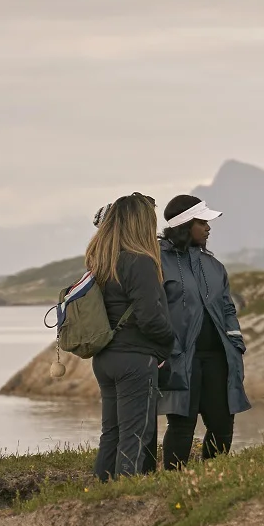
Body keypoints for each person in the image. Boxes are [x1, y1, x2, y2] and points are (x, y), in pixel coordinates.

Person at [158, 193, 251, 466]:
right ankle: (173, 482)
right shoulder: (157, 263)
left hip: (218, 359)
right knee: (181, 427)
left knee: (222, 426)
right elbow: (154, 310)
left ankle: (212, 476)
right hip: (179, 359)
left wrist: (236, 342)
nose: (209, 228)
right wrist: (167, 349)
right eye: (203, 222)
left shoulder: (213, 265)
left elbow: (228, 308)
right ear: (186, 224)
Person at [87, 192, 174, 481]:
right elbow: (150, 318)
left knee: (111, 434)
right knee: (135, 436)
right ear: (140, 223)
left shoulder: (100, 261)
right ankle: (126, 501)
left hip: (105, 358)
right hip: (136, 361)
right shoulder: (141, 262)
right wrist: (169, 341)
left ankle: (99, 497)